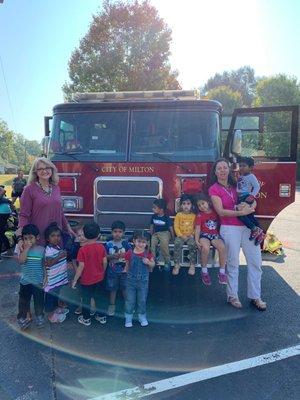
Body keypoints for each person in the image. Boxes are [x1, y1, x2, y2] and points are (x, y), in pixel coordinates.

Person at [209, 158, 267, 311]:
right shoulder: (214, 189)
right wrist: (241, 212)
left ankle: (256, 296)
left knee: (255, 261)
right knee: (232, 263)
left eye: (224, 167)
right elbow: (221, 211)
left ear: (229, 170)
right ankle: (232, 296)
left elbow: (252, 199)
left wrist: (251, 205)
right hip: (229, 228)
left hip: (248, 228)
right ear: (215, 172)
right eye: (219, 168)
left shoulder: (239, 183)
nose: (222, 170)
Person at [17, 157, 74, 246]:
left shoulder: (56, 188)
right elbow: (23, 215)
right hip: (38, 236)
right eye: (40, 169)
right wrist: (20, 238)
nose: (44, 171)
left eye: (47, 168)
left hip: (55, 236)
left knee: (56, 259)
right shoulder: (29, 189)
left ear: (52, 169)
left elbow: (60, 212)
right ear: (35, 172)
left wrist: (68, 227)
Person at [72, 222, 107, 327]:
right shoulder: (101, 247)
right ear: (98, 235)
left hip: (86, 280)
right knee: (99, 299)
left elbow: (81, 267)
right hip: (99, 278)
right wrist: (102, 271)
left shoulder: (82, 250)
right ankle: (102, 317)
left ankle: (86, 319)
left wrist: (74, 280)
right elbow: (104, 262)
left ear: (85, 235)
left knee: (86, 300)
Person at [14, 224, 45, 330]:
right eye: (25, 238)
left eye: (31, 238)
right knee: (23, 301)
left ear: (37, 238)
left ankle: (39, 316)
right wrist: (26, 249)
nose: (28, 241)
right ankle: (22, 318)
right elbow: (21, 261)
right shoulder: (22, 249)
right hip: (25, 282)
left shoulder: (42, 250)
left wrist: (45, 279)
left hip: (38, 282)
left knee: (39, 301)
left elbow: (44, 266)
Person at [194, 193, 227, 286]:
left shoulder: (216, 212)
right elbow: (197, 228)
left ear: (208, 202)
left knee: (222, 247)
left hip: (215, 235)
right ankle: (204, 271)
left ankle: (222, 272)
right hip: (204, 235)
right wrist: (197, 240)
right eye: (199, 205)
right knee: (205, 248)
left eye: (203, 203)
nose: (201, 206)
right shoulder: (199, 215)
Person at [124, 231, 155, 328]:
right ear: (134, 241)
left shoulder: (148, 254)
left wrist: (149, 263)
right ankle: (128, 318)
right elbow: (127, 265)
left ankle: (142, 317)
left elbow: (153, 265)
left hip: (143, 282)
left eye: (143, 242)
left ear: (147, 243)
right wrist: (125, 272)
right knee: (130, 300)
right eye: (138, 241)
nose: (141, 244)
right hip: (130, 281)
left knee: (142, 300)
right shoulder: (129, 253)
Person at [44, 223, 69, 323]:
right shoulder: (48, 250)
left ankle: (56, 309)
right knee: (50, 298)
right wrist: (60, 256)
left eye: (58, 236)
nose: (56, 238)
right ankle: (51, 316)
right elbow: (49, 263)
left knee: (56, 296)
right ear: (47, 238)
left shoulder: (57, 247)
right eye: (53, 236)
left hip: (58, 280)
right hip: (52, 281)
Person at [105, 220, 131, 317]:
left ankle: (128, 306)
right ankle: (112, 305)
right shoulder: (108, 244)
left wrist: (125, 255)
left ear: (123, 233)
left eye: (120, 232)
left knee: (125, 288)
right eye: (115, 232)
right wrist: (112, 256)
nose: (117, 234)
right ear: (111, 232)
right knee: (113, 289)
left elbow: (130, 255)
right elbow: (105, 257)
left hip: (124, 271)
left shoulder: (125, 244)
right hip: (112, 271)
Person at [237, 156, 265, 245]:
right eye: (240, 165)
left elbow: (257, 186)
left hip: (245, 197)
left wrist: (252, 196)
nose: (241, 168)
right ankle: (260, 232)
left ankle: (254, 229)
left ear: (250, 167)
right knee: (250, 216)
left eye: (244, 166)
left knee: (240, 214)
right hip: (240, 197)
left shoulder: (251, 176)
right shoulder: (240, 175)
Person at [173, 194, 197, 276]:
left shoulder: (194, 216)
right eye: (184, 204)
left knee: (193, 244)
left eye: (188, 204)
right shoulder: (178, 215)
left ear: (192, 205)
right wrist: (180, 235)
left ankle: (192, 265)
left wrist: (192, 235)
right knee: (177, 243)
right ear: (180, 205)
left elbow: (196, 227)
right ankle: (177, 264)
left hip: (190, 236)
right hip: (180, 236)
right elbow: (176, 226)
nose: (186, 206)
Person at [150, 199, 174, 271]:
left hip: (165, 233)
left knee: (164, 244)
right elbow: (151, 226)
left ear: (161, 209)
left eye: (154, 208)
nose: (153, 209)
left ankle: (167, 261)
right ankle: (153, 260)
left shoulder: (166, 217)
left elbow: (170, 228)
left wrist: (173, 238)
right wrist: (151, 235)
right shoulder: (154, 216)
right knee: (152, 244)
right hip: (156, 233)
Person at [0, 185, 12, 260]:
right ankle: (8, 250)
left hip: (2, 214)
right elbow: (10, 202)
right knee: (1, 232)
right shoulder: (4, 199)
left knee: (1, 233)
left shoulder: (2, 199)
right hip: (6, 214)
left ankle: (8, 250)